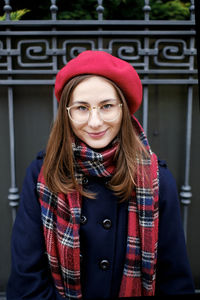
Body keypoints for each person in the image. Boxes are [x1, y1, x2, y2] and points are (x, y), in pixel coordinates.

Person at [7, 50, 195, 299]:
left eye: (106, 106)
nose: (95, 122)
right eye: (82, 108)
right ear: (67, 113)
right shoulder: (43, 173)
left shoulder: (155, 179)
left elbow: (173, 280)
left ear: (123, 109)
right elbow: (27, 278)